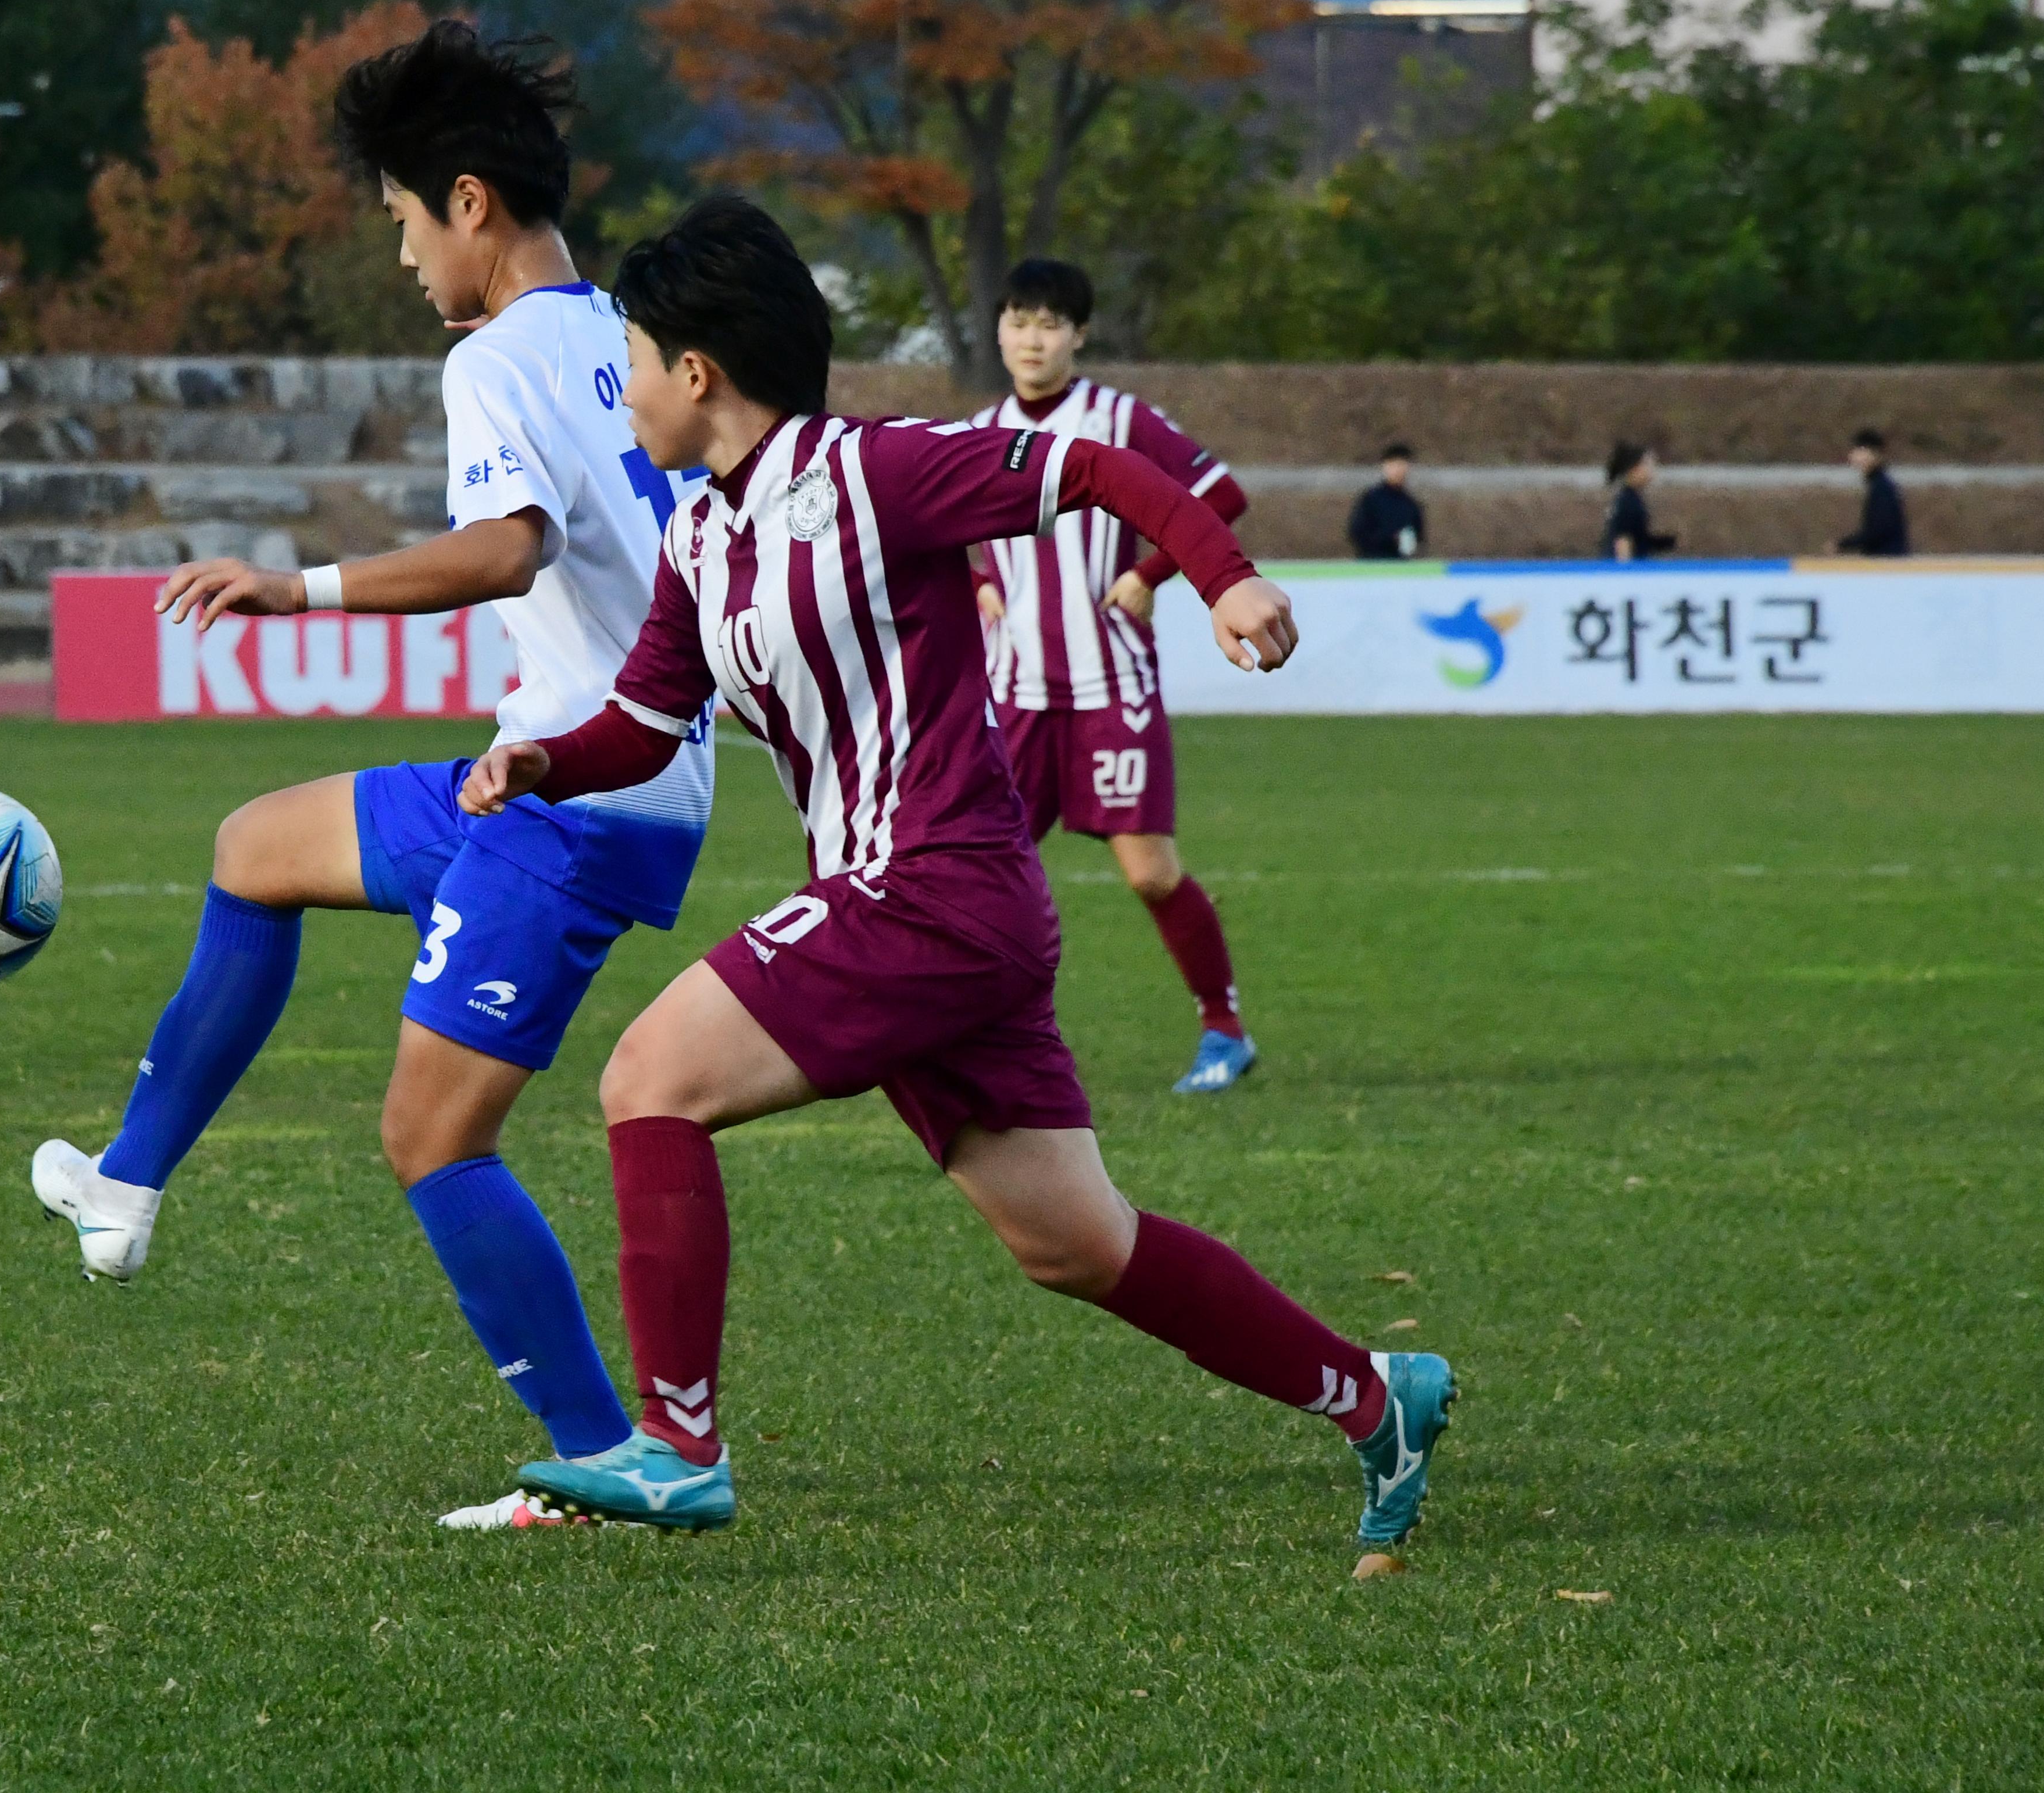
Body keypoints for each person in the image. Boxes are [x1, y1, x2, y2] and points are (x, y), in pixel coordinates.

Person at [460, 198, 1450, 1548]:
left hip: (927, 886)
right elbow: (644, 719)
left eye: (632, 359)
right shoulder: (701, 538)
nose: (622, 389)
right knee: (1074, 1244)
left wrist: (1221, 580)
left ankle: (675, 1443)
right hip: (935, 919)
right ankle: (1376, 1396)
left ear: (698, 371)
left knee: (648, 1078)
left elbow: (1093, 473)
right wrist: (537, 763)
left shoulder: (871, 474)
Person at [27, 23, 717, 1530]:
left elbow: (503, 551)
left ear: (468, 204)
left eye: (403, 221)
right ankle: (129, 1183)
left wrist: (299, 587)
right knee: (255, 845)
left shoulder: (502, 356)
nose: (404, 255)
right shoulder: (634, 335)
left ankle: (603, 1462)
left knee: (430, 1135)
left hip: (572, 796)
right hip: (577, 767)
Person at [967, 258, 1260, 1097]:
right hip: (1016, 693)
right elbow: (945, 534)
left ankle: (1224, 1031)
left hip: (1110, 688)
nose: (1033, 338)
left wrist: (1150, 572)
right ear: (999, 329)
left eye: (1051, 324)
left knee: (1150, 872)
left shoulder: (1119, 420)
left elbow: (1222, 494)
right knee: (984, 872)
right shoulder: (982, 428)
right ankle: (980, 1042)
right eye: (1020, 321)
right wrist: (981, 581)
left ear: (1079, 336)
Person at [1835, 428, 1909, 556]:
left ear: (1874, 454)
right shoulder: (1879, 485)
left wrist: (1843, 544)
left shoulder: (1883, 488)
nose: (1853, 457)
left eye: (1859, 451)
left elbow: (1878, 530)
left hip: (1887, 563)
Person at [1348, 443, 1427, 560]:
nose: (1398, 470)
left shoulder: (1410, 504)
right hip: (1371, 564)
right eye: (1394, 465)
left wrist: (1408, 541)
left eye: (1402, 465)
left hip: (1400, 566)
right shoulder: (1371, 499)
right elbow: (1357, 532)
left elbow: (1418, 534)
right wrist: (1389, 539)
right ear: (1385, 466)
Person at [1602, 442, 1673, 562]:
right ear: (1634, 469)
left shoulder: (1629, 498)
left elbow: (1638, 539)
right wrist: (1626, 574)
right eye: (1648, 465)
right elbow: (1623, 541)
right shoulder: (1628, 502)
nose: (1652, 470)